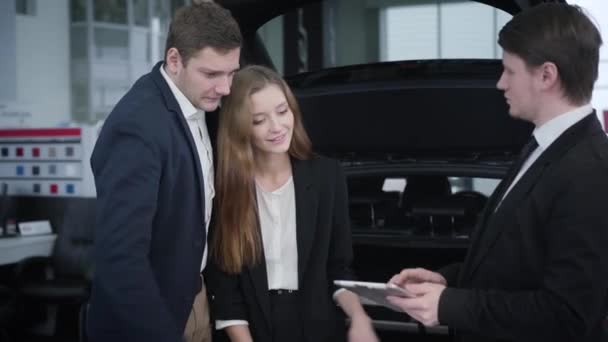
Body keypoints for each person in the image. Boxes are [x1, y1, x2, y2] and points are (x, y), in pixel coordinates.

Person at [386, 3, 608, 342]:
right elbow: (513, 264)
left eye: (509, 71)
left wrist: (451, 306)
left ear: (547, 75)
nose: (500, 84)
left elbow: (568, 314)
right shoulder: (542, 147)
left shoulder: (591, 171)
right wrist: (446, 282)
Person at [87, 3, 241, 342]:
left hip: (196, 299)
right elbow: (120, 261)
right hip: (149, 318)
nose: (226, 88)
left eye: (231, 73)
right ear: (174, 60)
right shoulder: (137, 127)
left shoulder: (200, 100)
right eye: (212, 74)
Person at [206, 65, 378, 342]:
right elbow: (226, 291)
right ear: (240, 128)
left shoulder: (327, 177)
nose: (276, 127)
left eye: (282, 111)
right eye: (259, 119)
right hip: (250, 329)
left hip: (319, 328)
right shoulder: (225, 188)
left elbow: (339, 269)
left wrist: (359, 317)